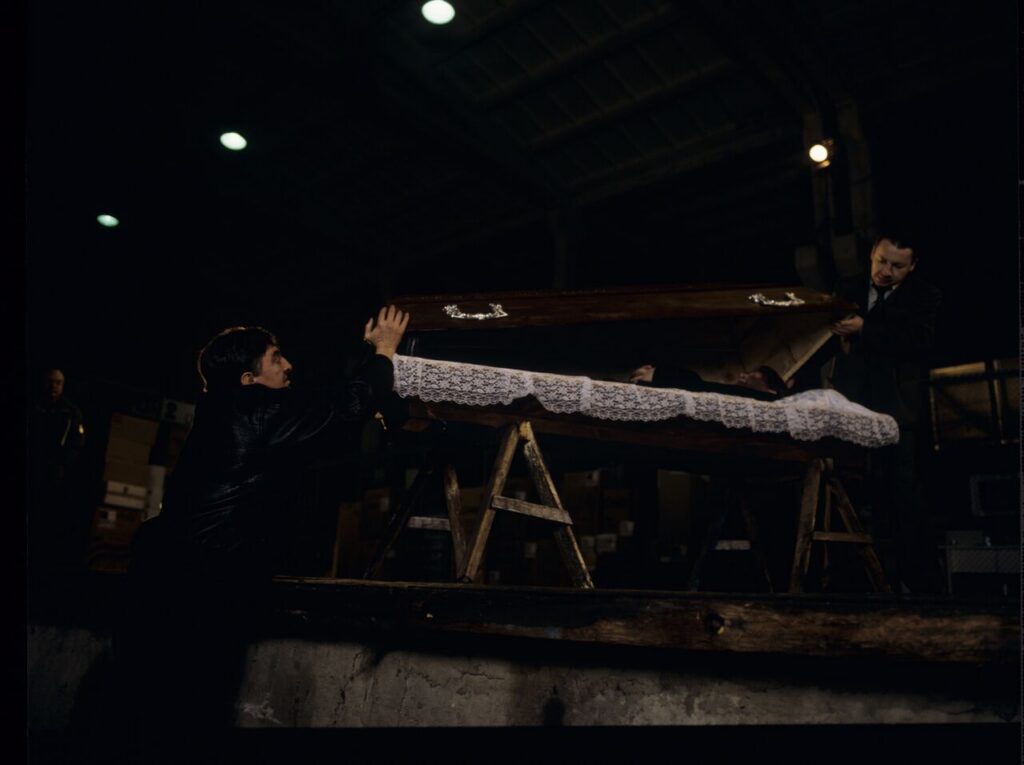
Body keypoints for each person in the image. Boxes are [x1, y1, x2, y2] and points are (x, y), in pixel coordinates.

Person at [112, 306, 410, 752]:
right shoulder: (254, 411)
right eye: (275, 358)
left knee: (152, 717)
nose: (287, 365)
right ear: (249, 380)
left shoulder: (221, 413)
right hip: (202, 589)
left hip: (168, 581)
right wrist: (385, 350)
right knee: (188, 719)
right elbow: (344, 406)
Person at [828, 233, 944, 593]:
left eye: (897, 266)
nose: (886, 271)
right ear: (873, 255)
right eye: (881, 261)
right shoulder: (847, 288)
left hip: (898, 409)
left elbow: (919, 342)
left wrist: (866, 328)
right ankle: (856, 581)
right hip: (851, 404)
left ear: (912, 266)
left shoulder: (925, 295)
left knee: (903, 493)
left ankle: (922, 584)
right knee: (851, 490)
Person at [28, 367, 86, 576]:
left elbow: (76, 443)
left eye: (58, 383)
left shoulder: (69, 411)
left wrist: (59, 460)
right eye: (51, 382)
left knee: (46, 514)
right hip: (33, 464)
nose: (53, 386)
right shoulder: (35, 405)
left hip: (53, 471)